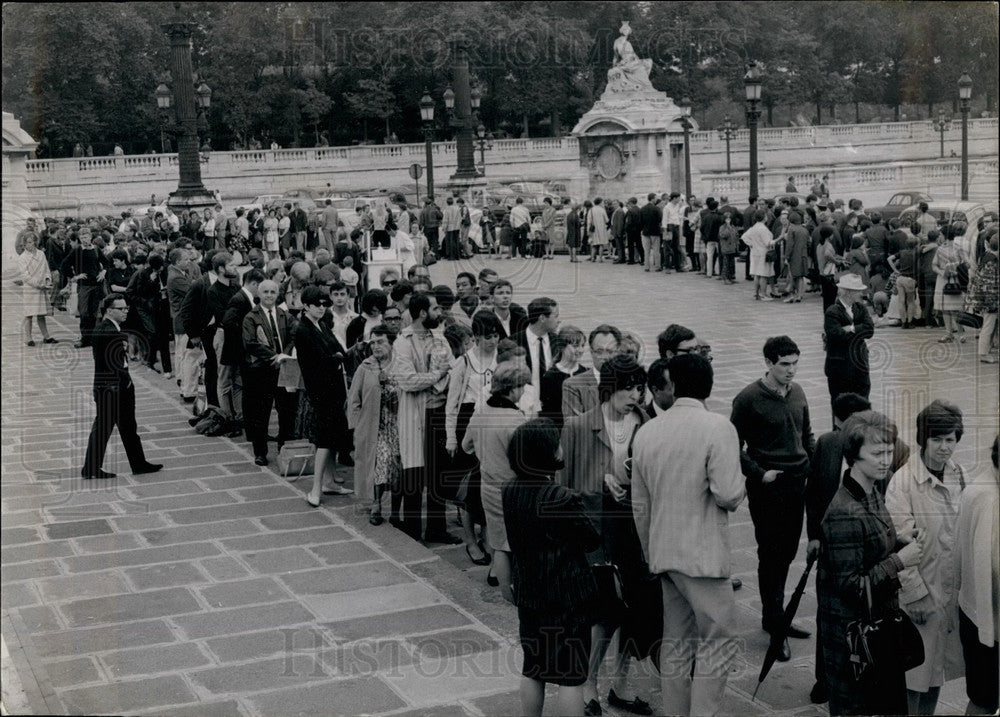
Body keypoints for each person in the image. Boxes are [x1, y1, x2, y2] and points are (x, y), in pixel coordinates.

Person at [631, 353, 744, 716]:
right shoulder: (718, 427)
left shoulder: (648, 431)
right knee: (717, 642)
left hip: (665, 552)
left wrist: (651, 553)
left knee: (676, 643)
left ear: (674, 385)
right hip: (704, 557)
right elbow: (728, 494)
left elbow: (640, 503)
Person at [560, 355, 657, 717]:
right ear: (609, 388)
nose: (635, 395)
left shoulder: (645, 423)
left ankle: (621, 684)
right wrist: (600, 483)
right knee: (603, 612)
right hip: (596, 528)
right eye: (628, 387)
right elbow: (562, 489)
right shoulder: (577, 427)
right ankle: (589, 683)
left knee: (635, 607)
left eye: (639, 388)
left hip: (636, 525)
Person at [803, 392, 911, 704]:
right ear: (854, 454)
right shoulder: (843, 511)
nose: (886, 460)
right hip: (856, 641)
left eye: (889, 451)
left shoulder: (871, 490)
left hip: (879, 630)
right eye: (877, 453)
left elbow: (871, 548)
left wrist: (898, 542)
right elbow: (849, 585)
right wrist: (899, 561)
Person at [502, 418, 602, 717]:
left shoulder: (509, 490)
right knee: (571, 676)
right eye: (556, 442)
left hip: (530, 593)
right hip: (567, 596)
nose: (560, 447)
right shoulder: (560, 496)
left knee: (534, 667)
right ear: (545, 452)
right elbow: (590, 538)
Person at [731, 336, 815, 662]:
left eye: (795, 363)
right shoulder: (748, 398)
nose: (791, 370)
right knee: (772, 555)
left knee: (788, 552)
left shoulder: (799, 392)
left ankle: (773, 616)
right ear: (768, 362)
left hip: (797, 484)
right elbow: (731, 444)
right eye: (784, 364)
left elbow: (806, 433)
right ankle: (775, 624)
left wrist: (810, 461)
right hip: (768, 488)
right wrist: (758, 473)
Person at [885, 400, 967, 715]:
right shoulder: (903, 483)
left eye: (951, 439)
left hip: (948, 594)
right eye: (937, 439)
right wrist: (915, 595)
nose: (945, 447)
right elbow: (896, 543)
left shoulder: (959, 475)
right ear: (924, 438)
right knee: (912, 677)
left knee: (936, 674)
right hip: (918, 597)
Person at [392, 291, 460, 544]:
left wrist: (440, 379)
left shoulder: (440, 337)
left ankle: (436, 528)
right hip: (415, 415)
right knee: (414, 472)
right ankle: (412, 530)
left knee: (438, 474)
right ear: (422, 313)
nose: (439, 313)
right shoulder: (402, 342)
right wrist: (435, 377)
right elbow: (407, 381)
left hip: (439, 413)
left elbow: (452, 369)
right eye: (434, 309)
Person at [462, 360, 530, 589]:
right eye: (522, 387)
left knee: (498, 539)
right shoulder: (516, 420)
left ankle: (496, 575)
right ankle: (510, 588)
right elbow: (526, 460)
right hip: (513, 489)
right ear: (511, 390)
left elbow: (465, 446)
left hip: (487, 485)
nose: (523, 392)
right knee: (515, 541)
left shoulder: (480, 413)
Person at [81, 294, 163, 479]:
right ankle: (91, 468)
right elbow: (114, 364)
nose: (126, 311)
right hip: (113, 389)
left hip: (111, 387)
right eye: (122, 309)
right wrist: (124, 383)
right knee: (105, 429)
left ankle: (138, 463)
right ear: (110, 310)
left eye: (126, 308)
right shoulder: (109, 330)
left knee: (126, 428)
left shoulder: (109, 328)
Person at [445, 311, 501, 564]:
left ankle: (489, 536)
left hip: (493, 422)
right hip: (467, 423)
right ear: (477, 336)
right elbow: (452, 403)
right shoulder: (464, 362)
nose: (493, 340)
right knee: (469, 488)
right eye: (488, 336)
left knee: (489, 484)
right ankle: (470, 540)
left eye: (496, 335)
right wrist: (451, 438)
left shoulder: (502, 359)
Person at [295, 286, 355, 506]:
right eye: (316, 305)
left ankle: (329, 482)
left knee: (332, 436)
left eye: (323, 304)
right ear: (306, 305)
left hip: (332, 389)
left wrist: (339, 355)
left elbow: (337, 349)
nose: (321, 308)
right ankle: (315, 488)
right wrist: (336, 357)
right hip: (321, 391)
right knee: (325, 438)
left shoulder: (319, 325)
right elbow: (320, 361)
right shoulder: (303, 330)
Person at [955, 435, 999, 715]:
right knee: (985, 700)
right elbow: (992, 565)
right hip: (987, 620)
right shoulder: (987, 497)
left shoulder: (983, 483)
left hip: (975, 610)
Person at [348, 323, 403, 526]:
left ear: (391, 343)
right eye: (373, 342)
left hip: (397, 426)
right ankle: (376, 505)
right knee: (379, 465)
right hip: (374, 428)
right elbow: (353, 399)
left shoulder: (401, 366)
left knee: (398, 469)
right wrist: (355, 428)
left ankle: (396, 511)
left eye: (380, 342)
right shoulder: (365, 367)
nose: (375, 346)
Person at [241, 279, 296, 467]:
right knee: (261, 413)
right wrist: (273, 356)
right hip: (262, 371)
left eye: (273, 292)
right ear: (259, 294)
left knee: (286, 410)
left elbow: (293, 335)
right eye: (266, 292)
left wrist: (284, 355)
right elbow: (250, 343)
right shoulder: (251, 317)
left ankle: (284, 447)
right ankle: (260, 452)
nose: (269, 295)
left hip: (283, 368)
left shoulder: (284, 315)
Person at [823, 273, 875, 407]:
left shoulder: (860, 308)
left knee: (863, 403)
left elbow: (869, 330)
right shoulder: (832, 311)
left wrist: (851, 328)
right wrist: (858, 331)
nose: (861, 294)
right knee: (841, 405)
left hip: (860, 364)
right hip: (840, 367)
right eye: (858, 291)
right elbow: (837, 335)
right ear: (849, 293)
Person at [562, 324, 621, 421]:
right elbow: (573, 425)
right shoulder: (573, 385)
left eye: (610, 351)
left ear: (618, 352)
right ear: (591, 352)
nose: (605, 357)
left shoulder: (629, 382)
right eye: (599, 351)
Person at [60, 226, 107, 348]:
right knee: (84, 313)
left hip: (96, 285)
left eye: (86, 237)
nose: (84, 239)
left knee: (94, 313)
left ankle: (92, 339)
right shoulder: (77, 250)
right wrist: (75, 276)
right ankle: (84, 339)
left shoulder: (96, 249)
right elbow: (64, 264)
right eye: (81, 237)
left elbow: (106, 262)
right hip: (84, 286)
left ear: (91, 237)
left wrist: (103, 272)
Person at [539, 325, 587, 430]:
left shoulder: (586, 373)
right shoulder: (549, 377)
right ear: (561, 346)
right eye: (575, 346)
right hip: (560, 431)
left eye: (582, 345)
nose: (580, 350)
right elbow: (548, 413)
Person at [17, 231, 56, 346]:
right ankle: (28, 338)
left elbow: (46, 269)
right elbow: (25, 276)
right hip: (31, 290)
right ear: (24, 244)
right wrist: (38, 284)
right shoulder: (22, 258)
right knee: (29, 314)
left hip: (42, 289)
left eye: (32, 242)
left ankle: (46, 336)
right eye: (28, 242)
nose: (30, 244)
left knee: (41, 313)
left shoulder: (41, 254)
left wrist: (48, 279)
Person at [933, 225, 970, 343]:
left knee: (955, 309)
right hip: (943, 280)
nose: (939, 237)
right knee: (944, 308)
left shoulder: (958, 248)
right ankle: (948, 333)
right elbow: (934, 265)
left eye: (941, 235)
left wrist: (957, 269)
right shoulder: (939, 249)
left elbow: (967, 264)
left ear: (945, 235)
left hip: (955, 280)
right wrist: (943, 272)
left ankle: (961, 333)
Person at [968, 233, 999, 363]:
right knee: (988, 326)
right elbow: (990, 283)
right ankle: (983, 354)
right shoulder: (992, 261)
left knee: (989, 326)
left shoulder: (986, 257)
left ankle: (987, 349)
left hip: (986, 299)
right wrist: (992, 303)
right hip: (990, 300)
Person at [742, 210, 777, 301]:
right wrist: (778, 239)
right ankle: (763, 294)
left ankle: (756, 293)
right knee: (763, 274)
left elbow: (744, 236)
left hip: (754, 253)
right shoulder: (763, 229)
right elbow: (768, 243)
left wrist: (751, 244)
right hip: (763, 253)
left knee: (757, 274)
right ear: (763, 217)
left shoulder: (753, 227)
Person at [783, 212, 810, 302]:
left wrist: (786, 257)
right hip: (803, 255)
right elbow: (808, 243)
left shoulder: (792, 229)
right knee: (801, 276)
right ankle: (799, 295)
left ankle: (791, 294)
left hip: (795, 256)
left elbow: (789, 245)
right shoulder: (805, 230)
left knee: (793, 275)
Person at [638, 193, 662, 272]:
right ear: (652, 199)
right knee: (656, 250)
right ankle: (657, 266)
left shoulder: (642, 209)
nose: (656, 200)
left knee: (646, 251)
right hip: (655, 231)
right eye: (655, 198)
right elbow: (659, 219)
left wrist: (642, 229)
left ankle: (647, 266)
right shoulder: (656, 209)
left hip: (645, 231)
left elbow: (640, 221)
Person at [564, 198, 581, 263]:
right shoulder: (575, 215)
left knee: (569, 245)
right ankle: (574, 258)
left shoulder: (569, 215)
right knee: (574, 245)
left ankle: (571, 257)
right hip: (575, 232)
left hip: (570, 231)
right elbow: (577, 224)